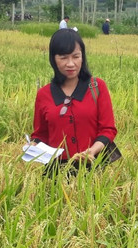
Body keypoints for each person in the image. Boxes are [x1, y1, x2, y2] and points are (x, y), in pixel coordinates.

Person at [30, 28, 117, 172]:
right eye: (63, 58)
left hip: (93, 166)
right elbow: (40, 134)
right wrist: (33, 145)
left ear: (82, 57)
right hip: (56, 171)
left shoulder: (97, 87)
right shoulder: (44, 94)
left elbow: (108, 129)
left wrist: (92, 150)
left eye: (76, 56)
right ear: (53, 59)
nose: (71, 63)